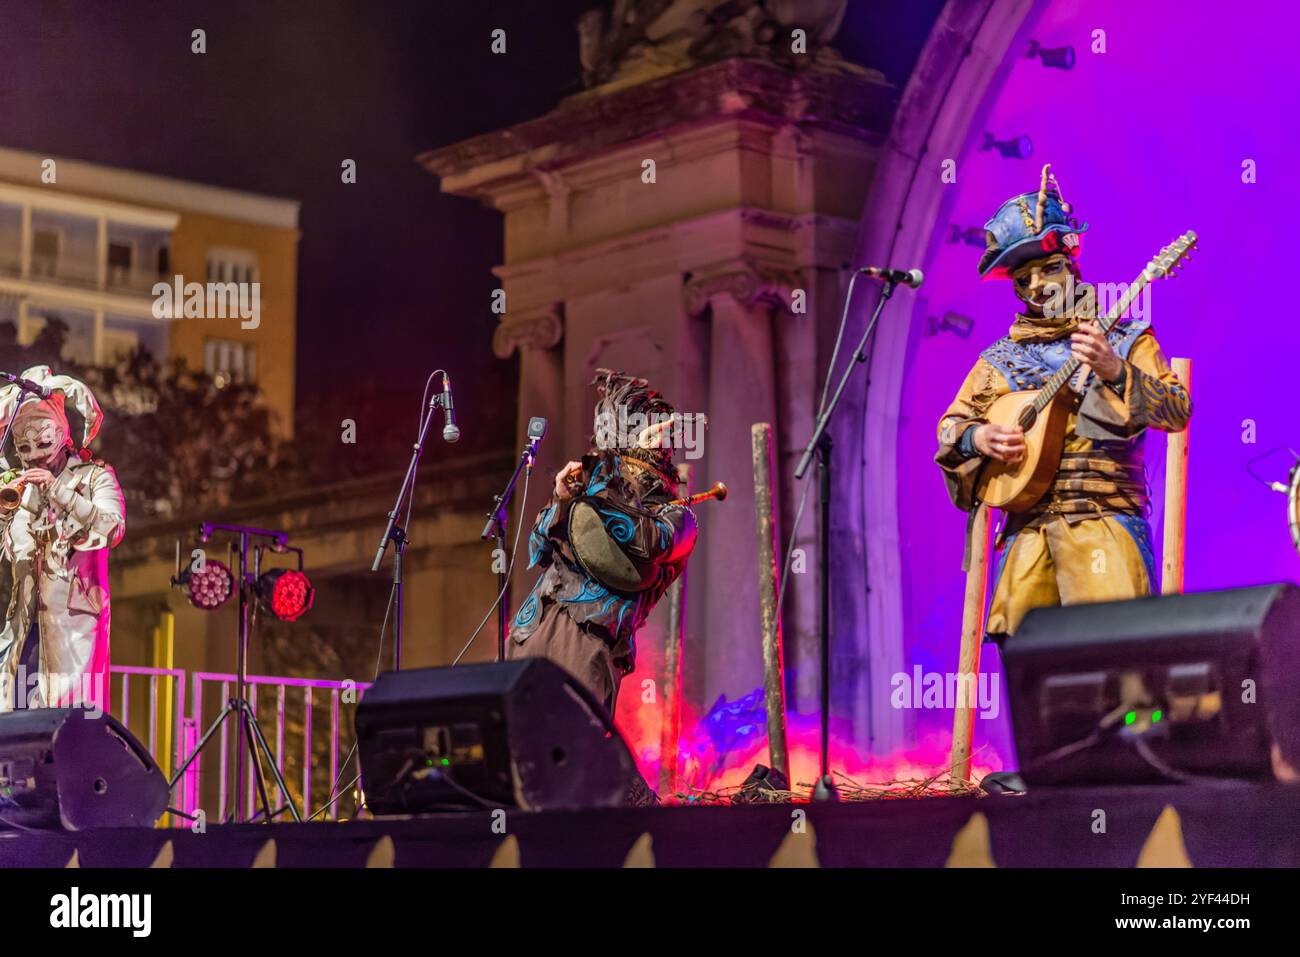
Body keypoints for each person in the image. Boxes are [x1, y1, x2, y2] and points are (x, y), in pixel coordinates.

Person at [936, 165, 1192, 637]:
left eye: (1048, 268)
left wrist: (1115, 369)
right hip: (1028, 541)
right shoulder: (999, 359)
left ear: (1072, 263)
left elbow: (1177, 409)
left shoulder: (1122, 336)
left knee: (1117, 673)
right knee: (1034, 681)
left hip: (1105, 529)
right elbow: (949, 429)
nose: (1037, 286)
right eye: (1024, 277)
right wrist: (979, 436)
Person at [507, 369, 697, 714]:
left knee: (567, 751)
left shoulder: (678, 518)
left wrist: (606, 479)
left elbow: (646, 540)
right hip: (530, 632)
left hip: (587, 646)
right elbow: (538, 549)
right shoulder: (593, 493)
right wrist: (561, 498)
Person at [0, 366, 125, 712]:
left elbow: (112, 528)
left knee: (67, 726)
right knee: (15, 727)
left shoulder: (96, 476)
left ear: (60, 434)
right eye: (24, 447)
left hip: (74, 631)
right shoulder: (16, 484)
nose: (36, 455)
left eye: (43, 442)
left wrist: (59, 492)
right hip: (23, 631)